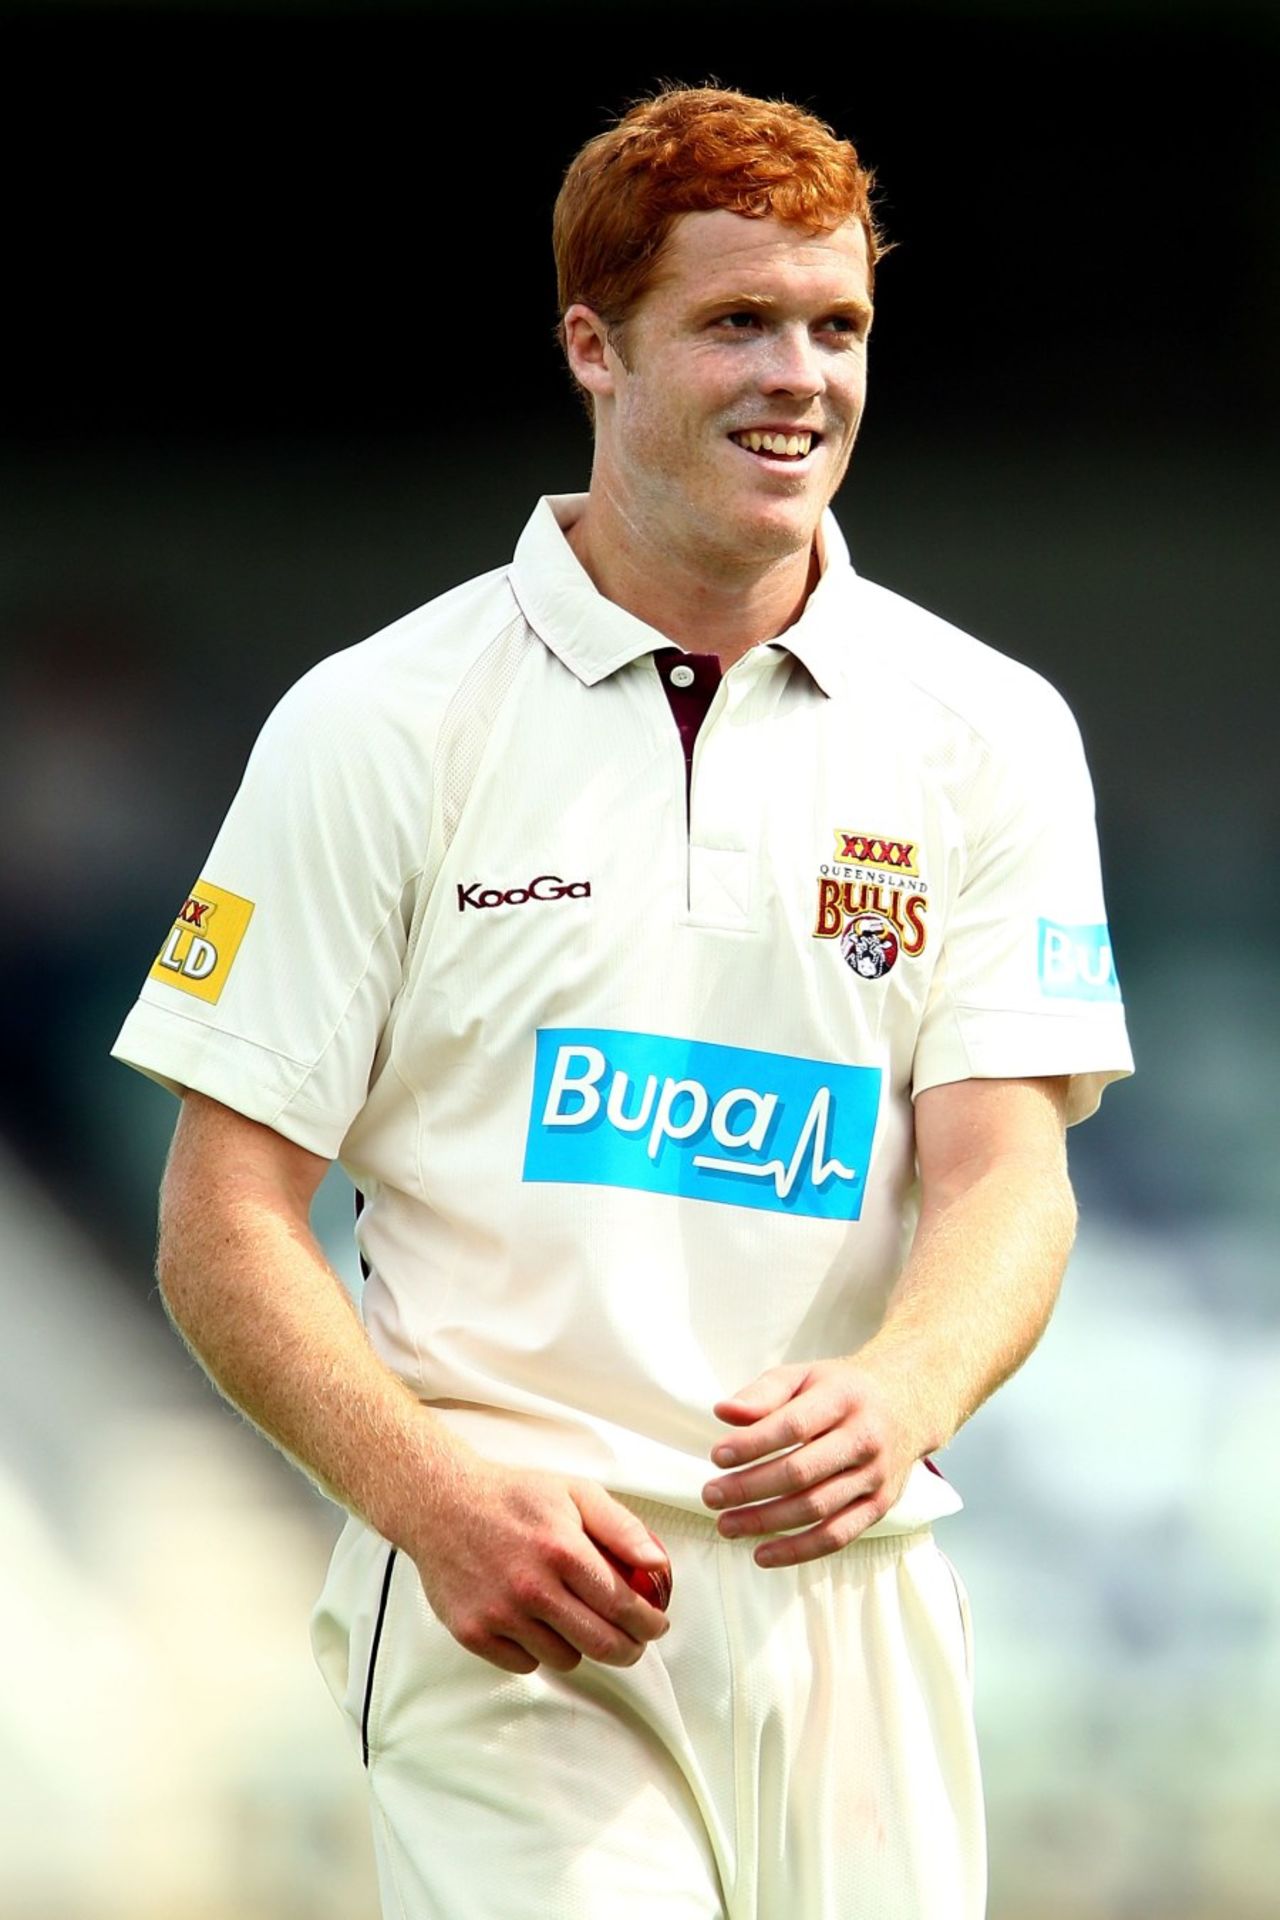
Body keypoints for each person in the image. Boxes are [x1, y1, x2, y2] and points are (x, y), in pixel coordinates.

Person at [113, 84, 1133, 1920]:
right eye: (736, 321)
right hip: (519, 1598)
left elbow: (1007, 1179)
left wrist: (902, 1390)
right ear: (593, 344)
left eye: (838, 328)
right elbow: (222, 1219)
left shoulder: (992, 729)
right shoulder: (382, 720)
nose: (799, 377)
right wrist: (431, 1501)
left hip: (857, 1587)